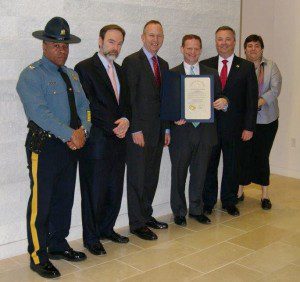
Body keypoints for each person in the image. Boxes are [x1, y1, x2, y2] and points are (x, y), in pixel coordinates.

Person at [16, 17, 91, 278]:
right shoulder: (31, 74)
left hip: (71, 147)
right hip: (45, 147)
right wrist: (70, 134)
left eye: (65, 46)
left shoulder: (72, 74)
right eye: (56, 45)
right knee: (42, 202)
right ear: (44, 45)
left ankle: (58, 244)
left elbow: (85, 108)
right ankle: (38, 255)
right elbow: (39, 112)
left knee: (64, 199)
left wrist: (83, 132)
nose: (62, 50)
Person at [75, 24, 131, 255]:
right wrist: (113, 126)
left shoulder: (121, 70)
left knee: (114, 188)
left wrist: (127, 120)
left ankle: (107, 228)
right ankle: (91, 237)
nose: (115, 47)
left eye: (119, 43)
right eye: (111, 41)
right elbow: (87, 106)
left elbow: (126, 103)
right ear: (100, 41)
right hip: (97, 141)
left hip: (119, 140)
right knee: (94, 191)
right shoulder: (84, 68)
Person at [169, 34, 228, 226]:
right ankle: (179, 211)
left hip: (205, 133)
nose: (192, 52)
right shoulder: (172, 73)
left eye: (196, 49)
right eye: (189, 48)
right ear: (182, 49)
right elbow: (166, 105)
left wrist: (224, 102)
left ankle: (196, 209)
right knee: (178, 174)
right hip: (181, 133)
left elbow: (220, 97)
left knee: (200, 174)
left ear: (200, 50)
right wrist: (173, 118)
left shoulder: (211, 73)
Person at [202, 26, 258, 216]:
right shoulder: (205, 64)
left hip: (235, 128)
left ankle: (229, 201)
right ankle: (208, 202)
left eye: (227, 39)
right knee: (209, 165)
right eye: (220, 39)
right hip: (210, 128)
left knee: (232, 165)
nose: (223, 43)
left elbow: (251, 99)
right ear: (215, 42)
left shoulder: (246, 67)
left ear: (234, 42)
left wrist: (249, 127)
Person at [122, 20, 170, 240]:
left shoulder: (164, 64)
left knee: (151, 176)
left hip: (159, 132)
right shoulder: (131, 61)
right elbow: (129, 98)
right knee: (137, 178)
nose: (155, 39)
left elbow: (165, 100)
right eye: (151, 35)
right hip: (139, 133)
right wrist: (135, 128)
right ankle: (137, 223)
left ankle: (146, 215)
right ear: (143, 37)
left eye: (159, 36)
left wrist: (167, 129)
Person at [237, 34, 282, 210]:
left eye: (256, 45)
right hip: (244, 121)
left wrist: (257, 102)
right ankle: (239, 191)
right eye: (249, 46)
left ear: (262, 48)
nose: (253, 49)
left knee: (262, 156)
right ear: (245, 49)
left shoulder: (271, 66)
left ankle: (264, 195)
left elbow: (275, 89)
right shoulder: (240, 66)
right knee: (243, 155)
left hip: (267, 121)